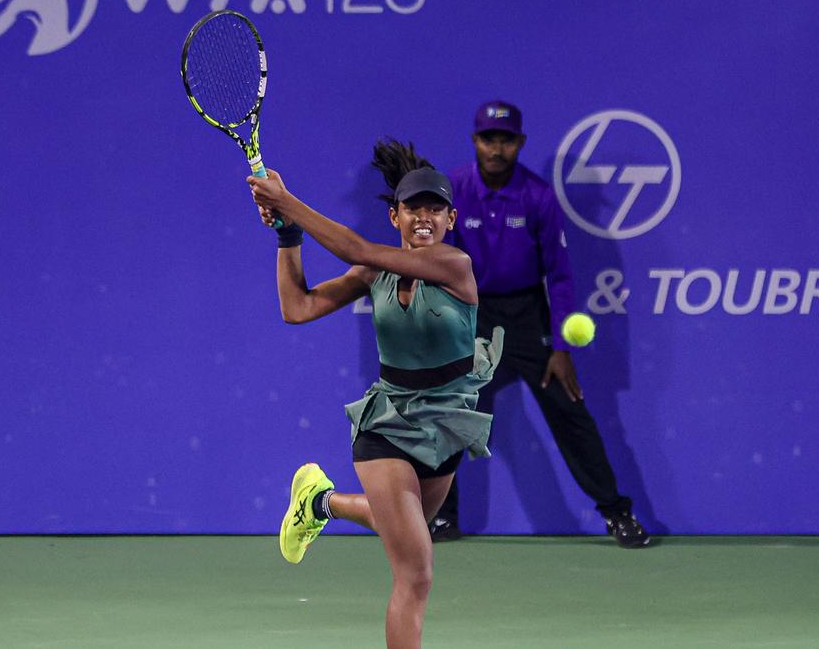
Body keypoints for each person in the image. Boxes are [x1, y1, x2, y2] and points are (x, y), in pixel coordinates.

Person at [246, 139, 503, 648]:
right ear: (395, 216)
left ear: (451, 219)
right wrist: (288, 235)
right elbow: (298, 308)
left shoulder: (455, 265)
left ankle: (320, 502)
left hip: (447, 424)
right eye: (413, 209)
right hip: (387, 424)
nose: (424, 218)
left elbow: (357, 249)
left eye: (435, 209)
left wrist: (286, 200)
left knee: (406, 526)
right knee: (416, 573)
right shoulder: (373, 272)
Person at [429, 100, 650, 548]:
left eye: (506, 140)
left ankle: (617, 513)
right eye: (488, 139)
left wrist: (562, 348)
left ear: (520, 143)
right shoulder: (453, 190)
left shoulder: (539, 197)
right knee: (448, 414)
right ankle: (440, 517)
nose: (497, 149)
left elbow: (560, 275)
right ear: (475, 141)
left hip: (529, 318)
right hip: (471, 315)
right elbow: (437, 262)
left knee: (571, 413)